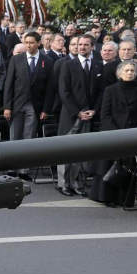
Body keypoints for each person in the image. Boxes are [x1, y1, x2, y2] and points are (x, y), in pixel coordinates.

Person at [93, 61, 137, 206]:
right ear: (120, 73)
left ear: (136, 73)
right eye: (126, 70)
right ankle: (107, 197)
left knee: (127, 167)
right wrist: (116, 132)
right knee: (109, 166)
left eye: (132, 70)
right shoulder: (110, 90)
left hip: (133, 135)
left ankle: (125, 199)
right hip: (112, 134)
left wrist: (136, 131)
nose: (129, 73)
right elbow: (105, 114)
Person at [56, 34, 102, 196]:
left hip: (89, 116)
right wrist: (78, 112)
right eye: (79, 44)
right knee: (66, 151)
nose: (82, 47)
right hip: (71, 116)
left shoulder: (97, 65)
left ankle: (77, 184)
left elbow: (99, 93)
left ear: (92, 47)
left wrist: (94, 110)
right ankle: (63, 184)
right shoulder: (68, 65)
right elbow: (64, 91)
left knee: (82, 152)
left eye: (85, 45)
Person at [3, 31, 53, 144]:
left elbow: (49, 88)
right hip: (17, 104)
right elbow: (9, 84)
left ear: (39, 43)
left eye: (31, 42)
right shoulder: (16, 59)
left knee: (29, 137)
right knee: (15, 137)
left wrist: (45, 109)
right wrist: (7, 107)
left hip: (35, 105)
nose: (28, 45)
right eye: (26, 42)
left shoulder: (47, 61)